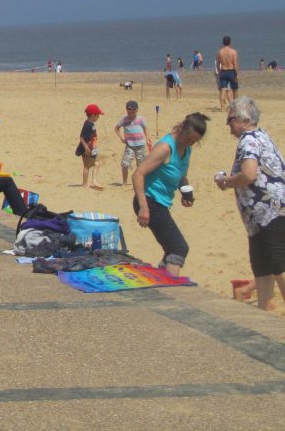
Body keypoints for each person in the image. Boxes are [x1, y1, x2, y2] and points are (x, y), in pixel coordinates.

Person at [218, 97, 285, 311]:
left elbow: (248, 174)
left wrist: (227, 181)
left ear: (243, 119)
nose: (228, 125)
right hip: (260, 219)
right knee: (263, 270)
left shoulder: (249, 138)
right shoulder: (262, 135)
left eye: (230, 120)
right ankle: (263, 322)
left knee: (278, 265)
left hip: (269, 214)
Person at [131, 112, 208, 276]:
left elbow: (180, 175)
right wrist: (143, 207)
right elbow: (138, 174)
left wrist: (185, 192)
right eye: (188, 139)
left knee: (171, 248)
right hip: (149, 200)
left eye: (194, 142)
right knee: (178, 247)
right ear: (181, 128)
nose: (189, 143)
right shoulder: (165, 148)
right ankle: (170, 288)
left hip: (161, 203)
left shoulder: (186, 149)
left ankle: (162, 281)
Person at [114, 100, 152, 186]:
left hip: (141, 146)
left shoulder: (140, 119)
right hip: (129, 146)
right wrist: (121, 138)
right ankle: (124, 182)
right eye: (129, 112)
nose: (131, 114)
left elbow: (146, 128)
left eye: (133, 112)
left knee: (141, 165)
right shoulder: (124, 120)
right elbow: (116, 128)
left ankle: (141, 182)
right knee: (125, 164)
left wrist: (148, 138)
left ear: (137, 110)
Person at [76, 104, 104, 191]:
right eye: (97, 115)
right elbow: (81, 138)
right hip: (87, 149)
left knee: (97, 163)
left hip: (92, 148)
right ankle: (85, 184)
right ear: (92, 115)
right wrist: (86, 148)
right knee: (86, 167)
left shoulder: (91, 123)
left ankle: (94, 181)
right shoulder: (88, 124)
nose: (98, 117)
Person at [216, 35, 239, 111]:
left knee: (223, 89)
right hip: (231, 71)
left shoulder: (220, 52)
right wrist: (237, 73)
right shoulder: (233, 52)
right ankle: (235, 107)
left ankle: (222, 108)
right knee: (235, 89)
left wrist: (219, 72)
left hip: (223, 71)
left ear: (223, 42)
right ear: (230, 42)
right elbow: (235, 63)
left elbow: (217, 64)